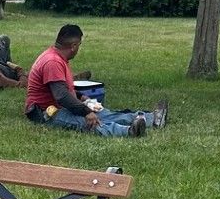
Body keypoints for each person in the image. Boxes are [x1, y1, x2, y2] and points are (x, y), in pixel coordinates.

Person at [24, 24, 158, 138]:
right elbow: (61, 95)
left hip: (59, 106)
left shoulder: (57, 57)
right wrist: (86, 112)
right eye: (79, 45)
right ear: (73, 46)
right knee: (89, 122)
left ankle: (152, 118)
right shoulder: (52, 62)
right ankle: (130, 131)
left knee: (104, 114)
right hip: (46, 113)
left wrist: (82, 98)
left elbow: (62, 89)